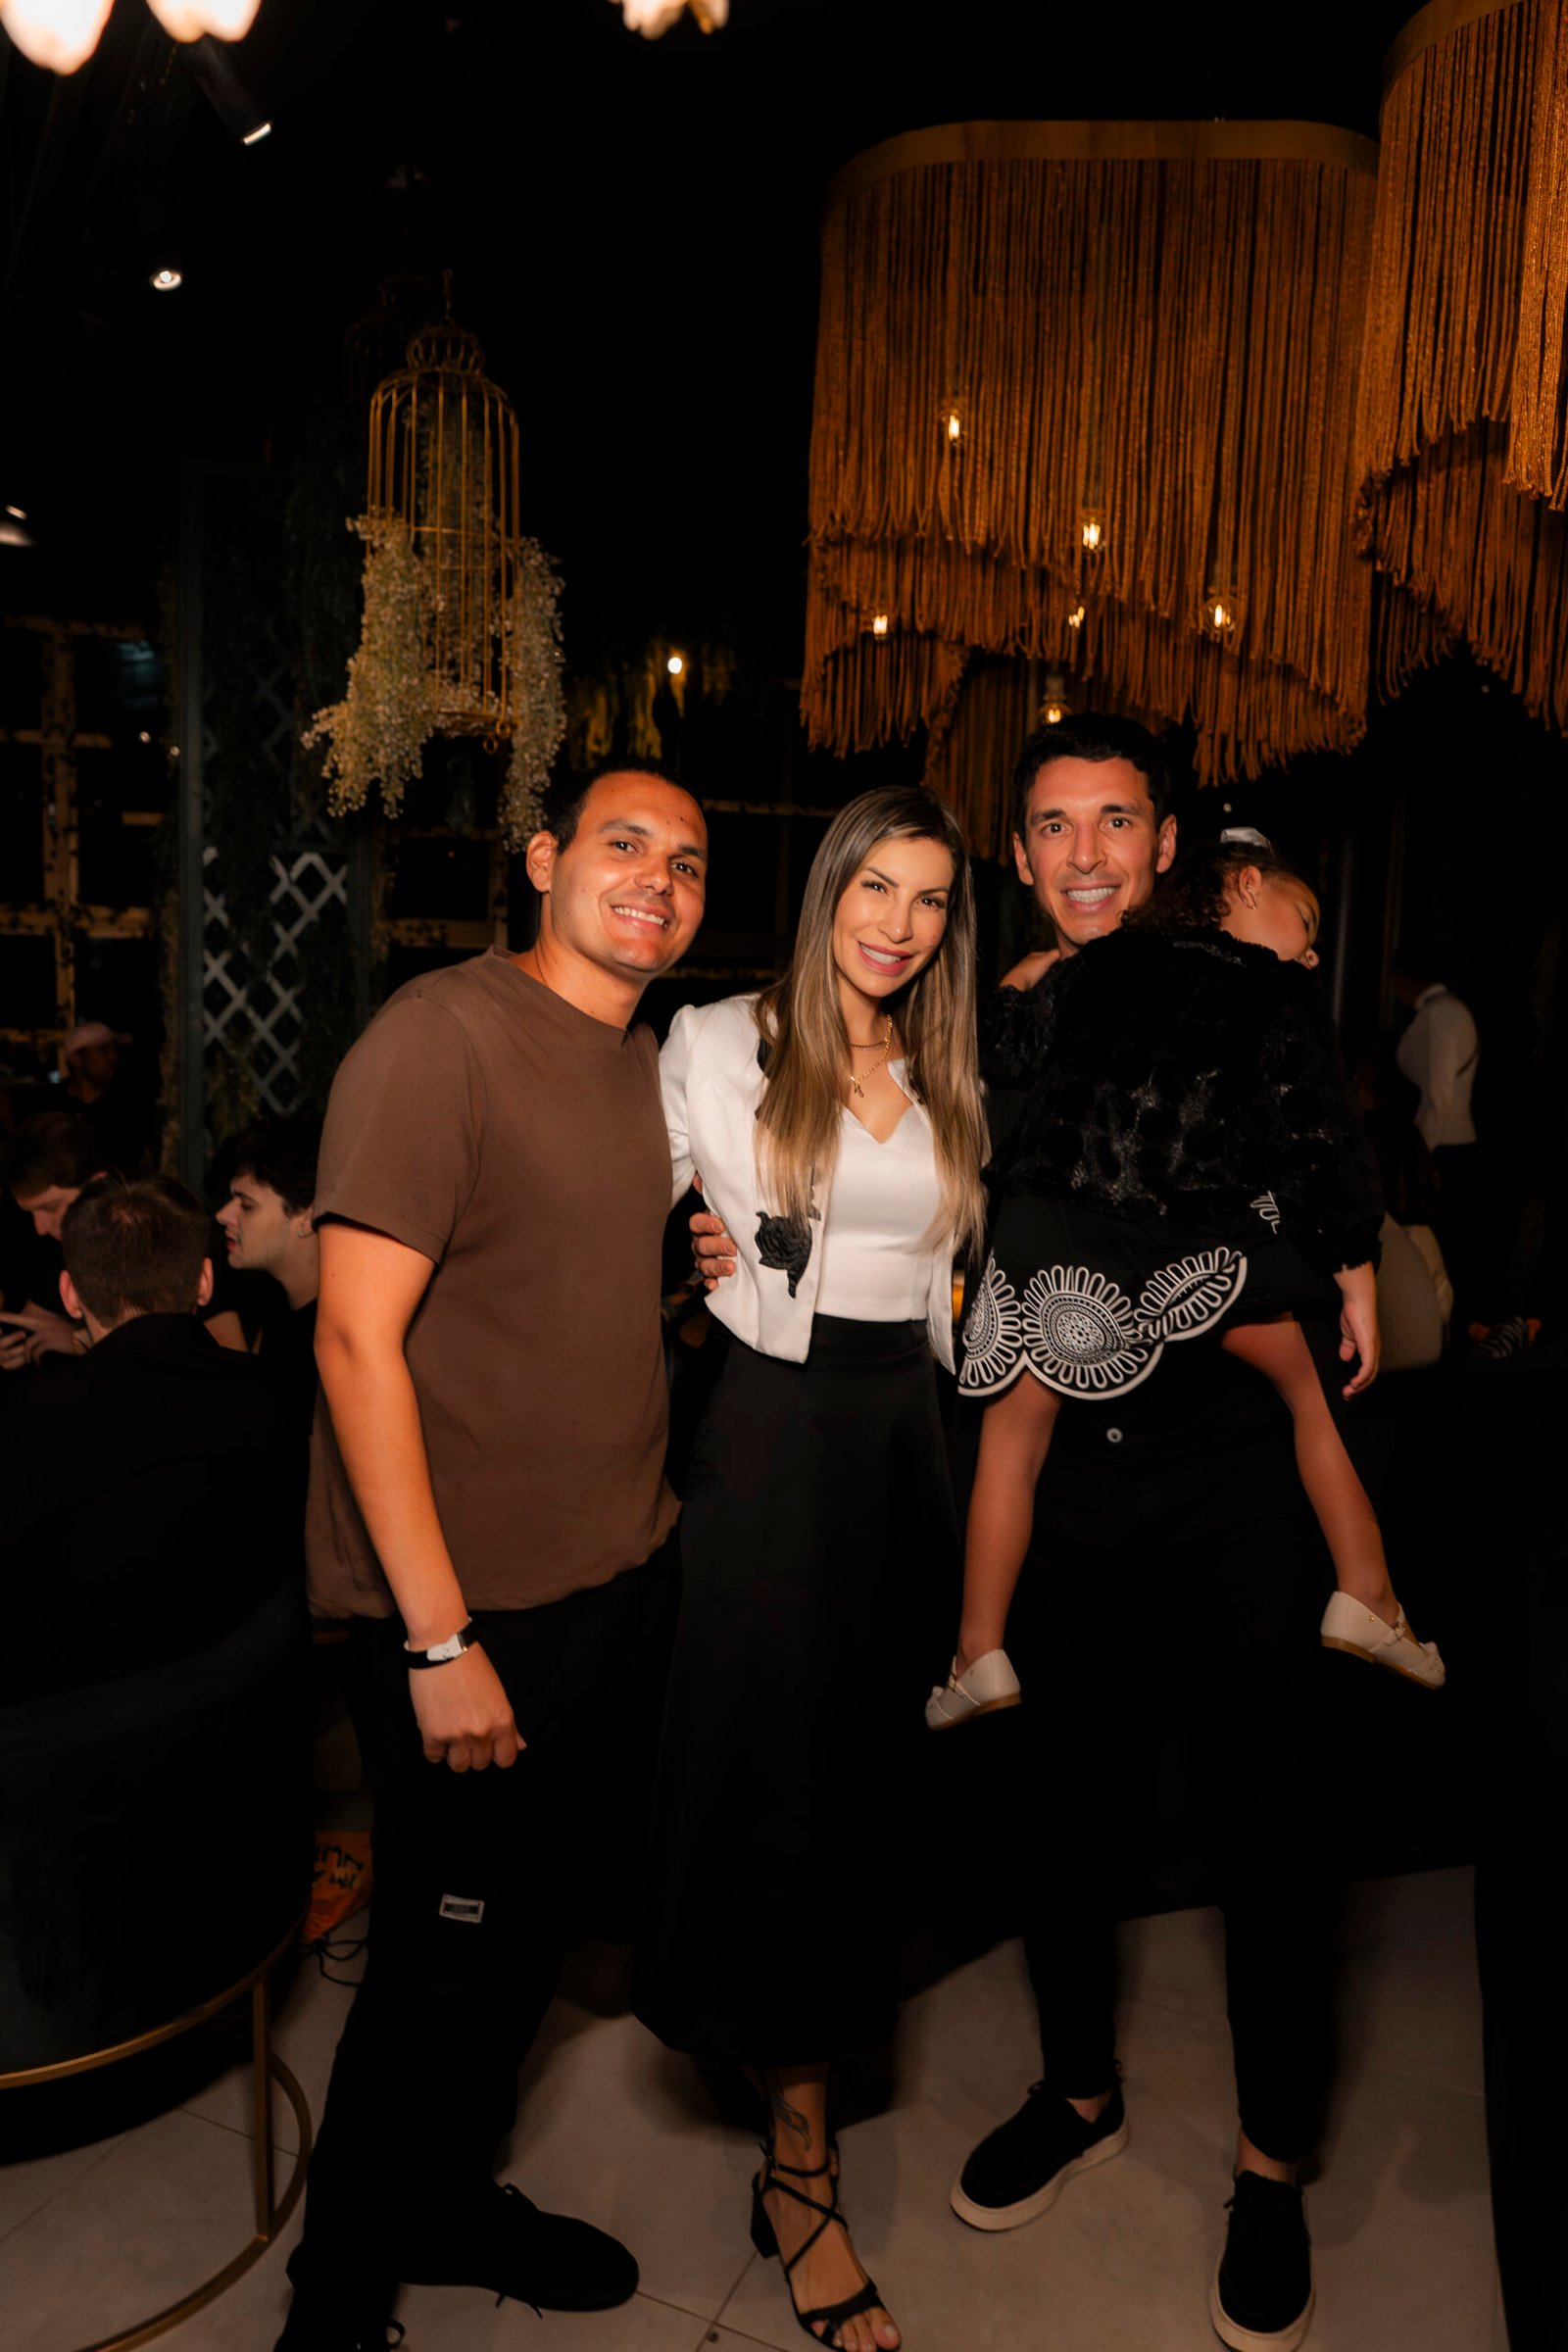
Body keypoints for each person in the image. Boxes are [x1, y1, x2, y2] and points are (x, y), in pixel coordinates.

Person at [278, 762, 708, 2352]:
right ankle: (333, 2309)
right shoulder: (440, 1038)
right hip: (474, 1618)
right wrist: (440, 1641)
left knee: (523, 1949)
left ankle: (449, 2205)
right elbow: (353, 1343)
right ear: (542, 860)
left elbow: (559, 1273)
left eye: (687, 862)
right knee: (435, 1979)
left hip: (613, 1583)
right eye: (622, 845)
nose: (656, 879)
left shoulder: (636, 1059)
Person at [945, 717, 1336, 2352]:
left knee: (1274, 1830)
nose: (1088, 853)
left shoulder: (1246, 996)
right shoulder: (1001, 1020)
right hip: (1063, 1481)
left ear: (1165, 842)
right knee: (1055, 1808)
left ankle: (1272, 2161)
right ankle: (1078, 2090)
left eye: (1117, 820)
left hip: (1234, 1476)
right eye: (1055, 825)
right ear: (1021, 854)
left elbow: (1311, 1216)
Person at [633, 785, 987, 2352]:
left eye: (930, 898)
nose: (898, 925)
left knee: (858, 1789)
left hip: (906, 1446)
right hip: (771, 1439)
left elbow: (949, 1284)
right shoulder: (719, 1041)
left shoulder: (951, 1068)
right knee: (769, 1788)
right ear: (829, 885)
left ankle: (798, 2094)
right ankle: (801, 2170)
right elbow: (614, 1198)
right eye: (875, 887)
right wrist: (676, 1250)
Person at [929, 830, 1443, 1733]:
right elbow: (1318, 1137)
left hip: (1043, 1227)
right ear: (1243, 886)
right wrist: (1355, 1272)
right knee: (1309, 1384)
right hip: (1167, 1237)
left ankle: (979, 1654)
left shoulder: (1099, 965)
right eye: (1306, 920)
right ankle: (1367, 1592)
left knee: (1010, 1437)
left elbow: (1004, 1045)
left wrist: (1024, 972)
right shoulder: (1272, 989)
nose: (1312, 951)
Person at [0, 1172, 302, 1700]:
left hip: (70, 1726)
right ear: (204, 1282)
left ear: (70, 1295)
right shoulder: (274, 1393)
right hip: (243, 1710)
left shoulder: (33, 1415)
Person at [1, 1112, 247, 1368]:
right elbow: (31, 1324)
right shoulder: (60, 1249)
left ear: (97, 1184)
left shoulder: (169, 1238)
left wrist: (79, 1338)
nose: (40, 1227)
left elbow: (229, 1362)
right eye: (31, 1212)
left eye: (50, 1208)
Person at [217, 1114, 322, 1441]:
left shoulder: (336, 1330)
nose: (223, 1215)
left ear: (307, 1215)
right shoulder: (276, 1307)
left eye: (246, 1206)